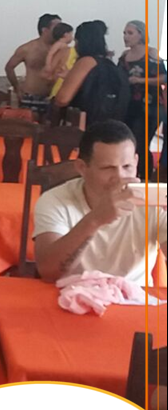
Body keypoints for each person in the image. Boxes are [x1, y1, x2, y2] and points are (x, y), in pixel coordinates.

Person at [33, 120, 166, 286]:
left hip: (135, 294)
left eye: (127, 166)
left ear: (136, 162)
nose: (120, 177)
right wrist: (95, 219)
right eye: (108, 168)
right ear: (82, 168)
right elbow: (48, 271)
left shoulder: (152, 201)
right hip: (72, 292)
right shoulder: (55, 200)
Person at [53, 20, 129, 125]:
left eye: (76, 41)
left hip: (85, 125)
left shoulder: (86, 61)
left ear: (82, 42)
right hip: (110, 125)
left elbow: (62, 99)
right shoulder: (108, 63)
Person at [118, 20, 167, 181]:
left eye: (130, 33)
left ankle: (145, 177)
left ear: (141, 35)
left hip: (149, 105)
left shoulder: (151, 54)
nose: (126, 36)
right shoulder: (125, 56)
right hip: (129, 105)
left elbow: (163, 77)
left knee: (141, 142)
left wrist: (141, 80)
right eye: (125, 33)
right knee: (128, 141)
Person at [5, 13, 62, 114]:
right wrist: (16, 87)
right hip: (31, 96)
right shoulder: (27, 48)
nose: (60, 30)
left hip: (54, 97)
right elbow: (9, 67)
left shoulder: (63, 50)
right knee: (29, 123)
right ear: (45, 30)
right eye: (57, 27)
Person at [45, 23, 76, 98]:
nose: (72, 37)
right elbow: (50, 54)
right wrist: (48, 65)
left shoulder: (65, 46)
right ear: (65, 34)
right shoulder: (59, 44)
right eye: (71, 34)